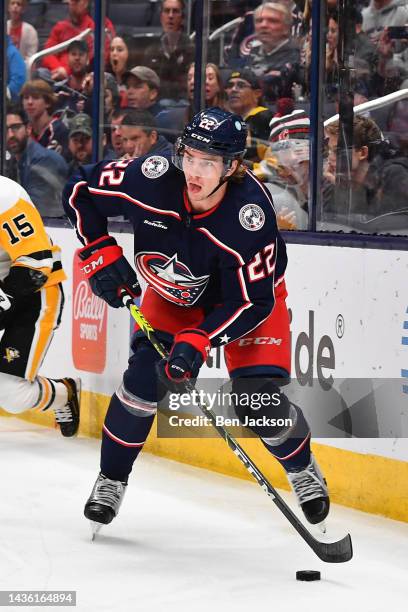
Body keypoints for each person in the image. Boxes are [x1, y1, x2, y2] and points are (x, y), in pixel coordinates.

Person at [63, 107, 330, 531]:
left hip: (245, 304)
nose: (195, 171)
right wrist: (99, 250)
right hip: (174, 296)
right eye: (190, 156)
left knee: (254, 400)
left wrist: (199, 340)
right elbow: (79, 187)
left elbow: (252, 303)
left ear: (233, 166)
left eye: (209, 162)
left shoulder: (250, 217)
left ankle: (301, 467)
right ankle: (111, 479)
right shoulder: (149, 177)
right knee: (142, 384)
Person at [0, 175, 80, 436]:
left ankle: (64, 393)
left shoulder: (6, 196)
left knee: (11, 395)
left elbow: (36, 265)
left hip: (35, 296)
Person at [6, 105, 68, 218]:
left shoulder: (45, 160)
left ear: (28, 128)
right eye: (5, 129)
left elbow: (34, 210)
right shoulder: (12, 162)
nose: (10, 135)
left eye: (15, 127)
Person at [42, 0, 115, 82]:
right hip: (58, 75)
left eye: (76, 1)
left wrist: (67, 71)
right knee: (41, 73)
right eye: (70, 2)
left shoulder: (95, 27)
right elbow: (47, 54)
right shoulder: (60, 27)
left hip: (84, 76)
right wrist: (59, 68)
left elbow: (92, 58)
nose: (72, 4)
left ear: (85, 3)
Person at [243, 2, 301, 103]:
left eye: (272, 21)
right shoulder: (249, 55)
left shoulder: (297, 57)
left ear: (286, 28)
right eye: (259, 21)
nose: (264, 25)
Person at [143, 0, 194, 102]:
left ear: (182, 17)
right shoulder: (151, 51)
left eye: (175, 11)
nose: (170, 16)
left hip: (185, 105)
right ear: (161, 16)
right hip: (156, 105)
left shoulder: (192, 50)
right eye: (166, 11)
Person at [225, 68, 273, 163]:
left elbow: (272, 162)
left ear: (257, 93)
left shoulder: (264, 118)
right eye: (230, 85)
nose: (233, 89)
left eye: (241, 85)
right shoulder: (227, 122)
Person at [20, 79, 69, 156]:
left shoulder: (59, 130)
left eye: (35, 98)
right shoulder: (25, 131)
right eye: (26, 98)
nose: (29, 102)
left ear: (48, 102)